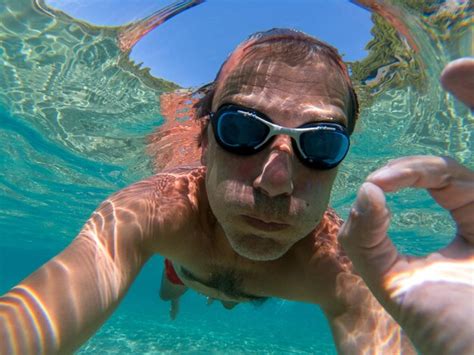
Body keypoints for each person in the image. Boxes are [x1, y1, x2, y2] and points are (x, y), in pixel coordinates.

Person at [0, 28, 471, 354]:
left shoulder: (339, 268)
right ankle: (182, 287)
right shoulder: (153, 212)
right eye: (242, 130)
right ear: (203, 141)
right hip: (181, 268)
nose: (275, 182)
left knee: (225, 294)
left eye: (321, 142)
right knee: (172, 290)